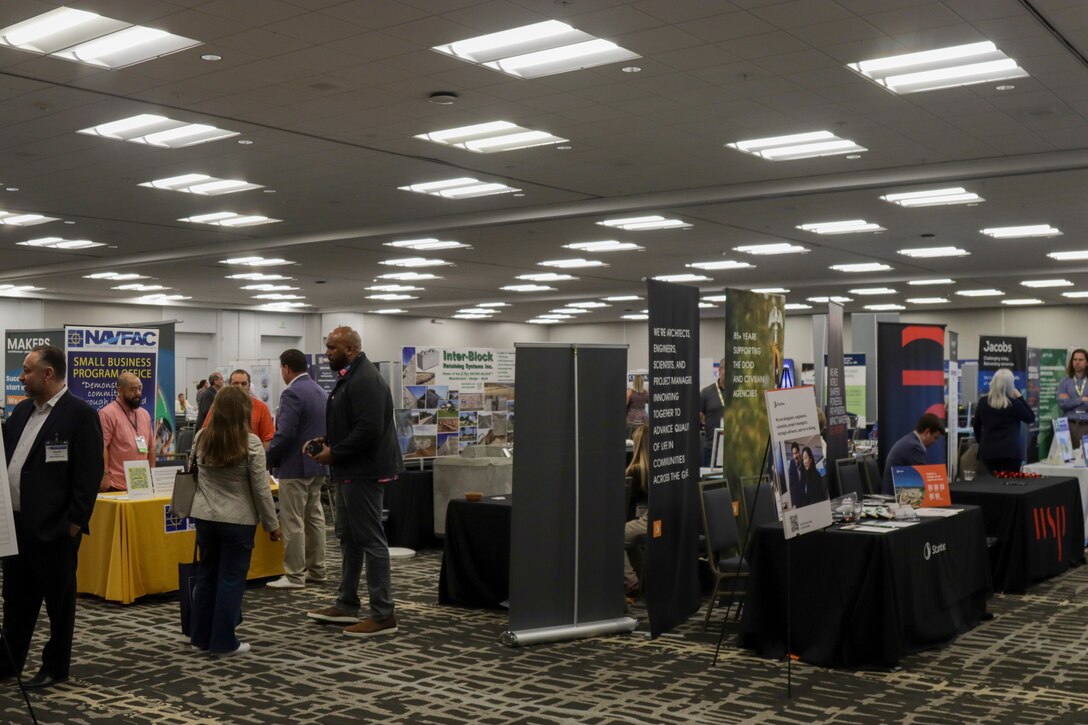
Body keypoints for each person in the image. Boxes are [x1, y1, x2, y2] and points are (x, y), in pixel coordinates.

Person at [2, 345, 103, 689]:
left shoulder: (80, 414)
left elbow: (88, 475)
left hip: (56, 531)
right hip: (16, 528)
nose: (21, 377)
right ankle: (8, 662)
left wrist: (73, 524)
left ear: (48, 373)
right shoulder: (20, 413)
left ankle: (55, 666)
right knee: (15, 599)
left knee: (59, 604)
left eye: (27, 370)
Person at [305, 326, 403, 638]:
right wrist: (327, 441)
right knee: (349, 537)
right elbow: (354, 425)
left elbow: (369, 431)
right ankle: (347, 602)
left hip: (364, 472)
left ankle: (383, 614)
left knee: (371, 541)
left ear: (350, 349)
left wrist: (335, 453)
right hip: (349, 471)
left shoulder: (365, 380)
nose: (327, 353)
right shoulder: (350, 377)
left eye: (332, 348)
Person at [189, 385, 281, 656]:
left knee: (206, 576)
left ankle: (200, 637)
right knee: (231, 579)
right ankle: (224, 642)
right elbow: (261, 489)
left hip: (205, 517)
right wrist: (272, 524)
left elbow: (192, 472)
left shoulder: (201, 437)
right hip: (238, 521)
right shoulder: (250, 442)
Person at [265, 349, 328, 590]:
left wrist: (269, 458)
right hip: (317, 465)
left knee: (293, 521)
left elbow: (285, 434)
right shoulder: (320, 391)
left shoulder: (292, 393)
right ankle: (317, 570)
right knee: (314, 519)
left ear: (286, 369)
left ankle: (294, 575)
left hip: (294, 466)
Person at [99, 372, 156, 492]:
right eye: (133, 389)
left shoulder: (144, 414)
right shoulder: (107, 414)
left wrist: (153, 475)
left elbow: (151, 447)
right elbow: (101, 447)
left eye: (140, 389)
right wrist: (104, 475)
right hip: (116, 485)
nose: (138, 393)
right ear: (120, 390)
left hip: (141, 484)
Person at [973, 368, 1035, 474]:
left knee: (989, 486)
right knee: (1008, 487)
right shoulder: (1014, 404)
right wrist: (1020, 397)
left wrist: (982, 442)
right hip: (1010, 453)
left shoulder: (983, 402)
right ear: (1011, 385)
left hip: (988, 452)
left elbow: (976, 426)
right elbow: (1030, 418)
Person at [202, 370, 275, 449]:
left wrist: (260, 459)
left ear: (249, 386)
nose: (239, 387)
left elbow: (267, 439)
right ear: (230, 386)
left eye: (243, 384)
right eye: (235, 384)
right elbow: (206, 432)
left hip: (251, 457)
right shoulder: (218, 406)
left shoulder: (261, 408)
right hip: (222, 456)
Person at [882, 413, 944, 494]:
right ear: (927, 432)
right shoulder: (915, 447)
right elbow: (924, 479)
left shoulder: (910, 440)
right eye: (935, 438)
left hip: (896, 493)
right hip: (895, 498)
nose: (934, 442)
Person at [623, 423, 649, 598]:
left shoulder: (633, 471)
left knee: (611, 537)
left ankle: (631, 582)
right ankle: (642, 581)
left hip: (647, 520)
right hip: (657, 520)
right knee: (629, 543)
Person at [1057, 348, 1088, 448]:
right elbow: (1062, 404)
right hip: (1068, 425)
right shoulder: (1064, 382)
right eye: (1075, 360)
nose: (1077, 362)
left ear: (1086, 362)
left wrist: (1070, 399)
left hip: (1086, 425)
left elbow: (1067, 402)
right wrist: (1081, 400)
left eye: (1080, 360)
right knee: (1068, 460)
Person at [699, 359, 726, 466]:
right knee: (711, 482)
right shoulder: (706, 393)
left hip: (732, 449)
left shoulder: (737, 393)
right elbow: (699, 418)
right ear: (720, 370)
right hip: (712, 447)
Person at [625, 374, 648, 438]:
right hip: (644, 419)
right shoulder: (646, 393)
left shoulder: (629, 392)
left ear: (634, 382)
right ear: (642, 382)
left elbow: (625, 404)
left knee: (630, 439)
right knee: (643, 439)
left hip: (632, 419)